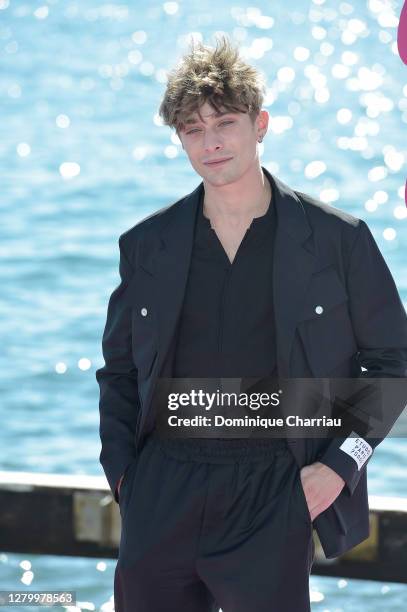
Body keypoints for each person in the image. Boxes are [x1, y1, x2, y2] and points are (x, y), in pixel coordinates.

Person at [96, 35, 407, 611]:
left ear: (259, 124)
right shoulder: (147, 245)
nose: (210, 144)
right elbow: (117, 372)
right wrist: (123, 476)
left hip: (273, 488)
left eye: (225, 123)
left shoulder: (338, 240)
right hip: (163, 485)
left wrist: (341, 465)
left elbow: (394, 363)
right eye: (192, 129)